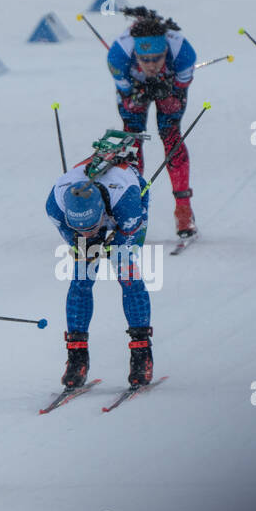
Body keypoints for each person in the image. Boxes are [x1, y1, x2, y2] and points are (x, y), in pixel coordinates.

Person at [45, 152, 153, 389]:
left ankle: (141, 352)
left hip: (125, 202)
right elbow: (75, 235)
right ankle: (77, 357)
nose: (85, 235)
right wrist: (83, 241)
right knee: (81, 278)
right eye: (79, 229)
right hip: (96, 204)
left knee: (126, 274)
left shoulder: (127, 204)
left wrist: (113, 244)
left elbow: (129, 238)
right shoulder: (55, 205)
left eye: (91, 228)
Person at [106, 7, 198, 239]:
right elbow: (127, 101)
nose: (151, 65)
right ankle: (129, 209)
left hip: (171, 83)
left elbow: (176, 99)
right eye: (145, 59)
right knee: (132, 138)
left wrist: (167, 92)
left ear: (166, 50)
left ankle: (183, 209)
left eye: (157, 58)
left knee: (170, 135)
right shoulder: (118, 57)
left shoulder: (184, 54)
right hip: (132, 85)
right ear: (135, 54)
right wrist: (139, 94)